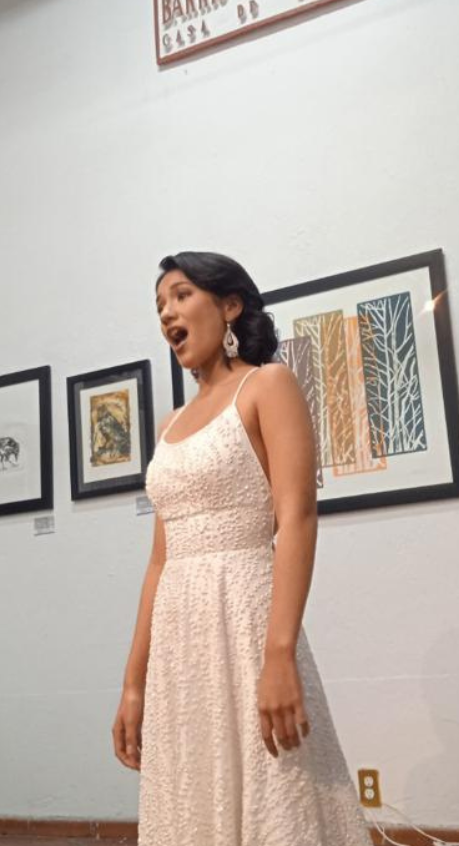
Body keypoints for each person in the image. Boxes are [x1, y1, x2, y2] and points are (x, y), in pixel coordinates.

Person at [113, 251, 369, 846]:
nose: (166, 314)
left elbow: (297, 517)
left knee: (273, 785)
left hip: (246, 616)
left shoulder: (267, 385)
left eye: (180, 296)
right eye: (159, 306)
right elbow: (160, 559)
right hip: (180, 632)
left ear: (229, 306)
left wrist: (279, 654)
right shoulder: (169, 425)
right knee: (189, 790)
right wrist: (133, 682)